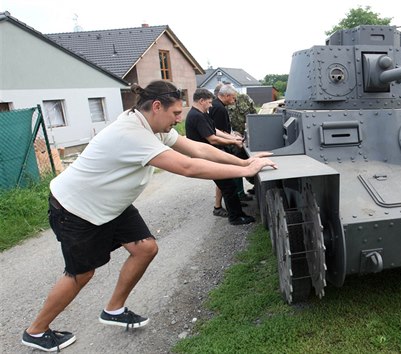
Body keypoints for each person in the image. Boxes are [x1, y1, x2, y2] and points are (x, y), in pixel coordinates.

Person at [21, 80, 276, 352]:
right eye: (176, 113)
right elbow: (188, 167)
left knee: (145, 248)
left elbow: (196, 148)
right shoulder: (131, 133)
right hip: (76, 208)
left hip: (111, 204)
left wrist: (245, 162)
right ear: (157, 107)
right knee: (80, 274)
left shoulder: (151, 127)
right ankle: (35, 331)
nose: (180, 119)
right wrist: (245, 172)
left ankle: (114, 310)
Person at [185, 88, 254, 225]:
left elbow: (215, 130)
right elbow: (213, 139)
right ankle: (236, 218)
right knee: (228, 187)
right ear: (201, 101)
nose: (211, 105)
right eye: (209, 102)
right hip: (206, 158)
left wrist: (232, 138)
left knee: (228, 185)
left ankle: (236, 213)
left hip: (210, 156)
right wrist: (233, 141)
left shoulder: (201, 114)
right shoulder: (196, 116)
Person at [210, 84, 252, 202]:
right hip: (221, 146)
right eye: (233, 97)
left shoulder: (218, 106)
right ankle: (237, 197)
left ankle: (230, 199)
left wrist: (233, 135)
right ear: (227, 96)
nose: (235, 100)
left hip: (224, 143)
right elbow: (218, 131)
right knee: (232, 172)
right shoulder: (219, 108)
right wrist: (233, 140)